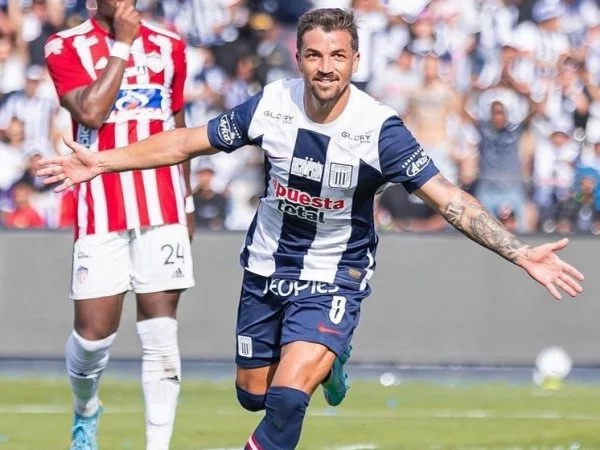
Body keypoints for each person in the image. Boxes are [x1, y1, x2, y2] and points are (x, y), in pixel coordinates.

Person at [38, 8, 585, 450]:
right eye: (316, 56)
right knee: (253, 395)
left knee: (286, 401)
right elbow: (186, 141)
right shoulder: (272, 105)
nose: (326, 68)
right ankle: (330, 364)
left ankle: (323, 354)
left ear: (355, 61)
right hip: (266, 268)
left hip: (334, 276)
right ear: (298, 58)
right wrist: (101, 161)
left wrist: (520, 253)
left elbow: (450, 199)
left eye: (338, 56)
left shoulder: (379, 130)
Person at [42, 1, 195, 449]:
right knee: (93, 336)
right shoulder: (64, 46)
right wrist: (123, 45)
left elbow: (178, 125)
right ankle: (86, 408)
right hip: (100, 205)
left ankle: (158, 445)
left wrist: (186, 200)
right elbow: (90, 112)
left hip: (162, 202)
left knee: (161, 332)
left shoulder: (170, 44)